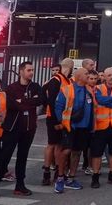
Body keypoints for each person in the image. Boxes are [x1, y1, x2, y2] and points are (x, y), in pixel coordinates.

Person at [0, 61, 44, 199]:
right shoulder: (12, 88)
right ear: (21, 71)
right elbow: (11, 104)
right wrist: (27, 102)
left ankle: (20, 185)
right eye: (28, 70)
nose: (31, 72)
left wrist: (24, 101)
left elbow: (42, 100)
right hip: (13, 128)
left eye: (32, 70)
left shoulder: (36, 86)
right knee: (5, 157)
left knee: (23, 157)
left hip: (29, 128)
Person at [53, 68, 92, 193]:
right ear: (79, 76)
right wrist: (62, 122)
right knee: (66, 151)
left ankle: (71, 177)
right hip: (70, 126)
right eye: (86, 74)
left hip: (84, 127)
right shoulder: (67, 89)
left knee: (77, 152)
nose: (88, 76)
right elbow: (58, 107)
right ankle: (60, 177)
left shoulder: (89, 90)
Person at [42, 58, 73, 186]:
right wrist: (56, 120)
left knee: (57, 145)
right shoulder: (57, 80)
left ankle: (55, 171)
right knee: (53, 144)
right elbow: (51, 100)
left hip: (61, 118)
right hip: (54, 117)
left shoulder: (66, 80)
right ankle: (47, 171)